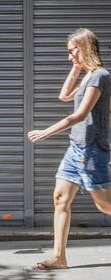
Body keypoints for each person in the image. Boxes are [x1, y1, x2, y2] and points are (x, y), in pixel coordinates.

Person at [28, 28, 111, 270]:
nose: (69, 56)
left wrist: (46, 131)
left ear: (84, 48)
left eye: (72, 51)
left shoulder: (100, 76)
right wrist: (76, 68)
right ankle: (59, 258)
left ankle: (59, 256)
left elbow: (80, 114)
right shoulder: (87, 76)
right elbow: (64, 96)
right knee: (60, 198)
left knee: (104, 205)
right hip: (75, 149)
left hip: (91, 150)